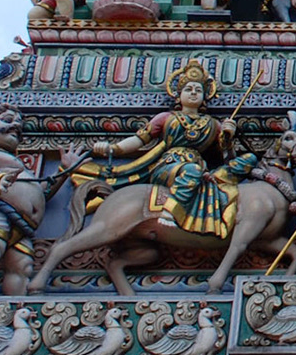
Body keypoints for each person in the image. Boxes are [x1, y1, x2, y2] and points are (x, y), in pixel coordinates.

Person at [65, 62, 258, 238]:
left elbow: (228, 158)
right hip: (169, 166)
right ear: (178, 94)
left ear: (204, 97)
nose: (193, 93)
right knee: (192, 171)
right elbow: (139, 139)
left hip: (200, 169)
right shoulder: (166, 118)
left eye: (198, 90)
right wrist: (113, 148)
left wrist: (228, 138)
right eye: (188, 89)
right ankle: (171, 211)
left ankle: (218, 188)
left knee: (249, 159)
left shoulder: (213, 124)